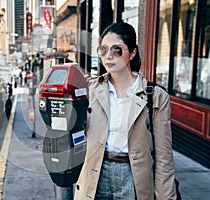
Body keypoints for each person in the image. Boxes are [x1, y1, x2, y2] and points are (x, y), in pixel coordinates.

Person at [74, 22, 177, 199]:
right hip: (96, 173)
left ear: (132, 52)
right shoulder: (90, 89)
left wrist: (165, 196)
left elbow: (164, 157)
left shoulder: (155, 96)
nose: (109, 56)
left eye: (117, 50)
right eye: (103, 50)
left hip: (134, 176)